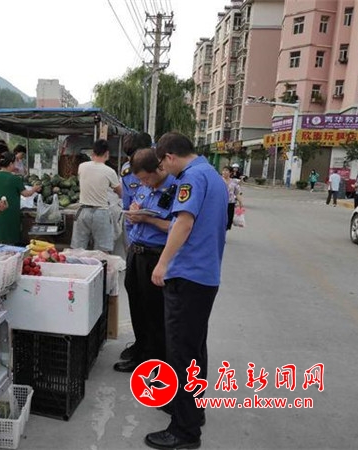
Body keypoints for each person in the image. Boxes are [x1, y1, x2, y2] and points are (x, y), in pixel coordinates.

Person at [147, 132, 227, 450]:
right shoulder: (212, 175)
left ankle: (184, 431)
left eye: (162, 163)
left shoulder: (191, 178)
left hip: (188, 274)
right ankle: (192, 411)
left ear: (169, 156)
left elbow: (183, 222)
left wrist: (162, 263)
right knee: (194, 351)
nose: (164, 169)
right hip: (205, 276)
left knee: (182, 353)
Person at [113, 148, 174, 373]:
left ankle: (156, 360)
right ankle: (141, 349)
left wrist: (147, 219)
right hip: (136, 252)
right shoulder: (145, 186)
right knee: (137, 306)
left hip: (155, 255)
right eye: (140, 180)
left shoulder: (175, 189)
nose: (143, 184)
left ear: (158, 168)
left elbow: (177, 227)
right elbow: (135, 211)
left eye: (146, 178)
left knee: (154, 311)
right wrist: (134, 213)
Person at [71, 139, 122, 253]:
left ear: (92, 153)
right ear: (107, 153)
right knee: (102, 251)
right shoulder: (110, 171)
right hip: (101, 213)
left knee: (78, 249)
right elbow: (120, 192)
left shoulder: (82, 166)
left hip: (83, 212)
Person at [0, 152, 41, 244]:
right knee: (11, 240)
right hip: (11, 214)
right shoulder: (15, 179)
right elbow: (26, 194)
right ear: (11, 163)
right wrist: (35, 189)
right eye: (15, 162)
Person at [121, 132, 153, 236]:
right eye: (129, 157)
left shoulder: (165, 172)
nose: (132, 161)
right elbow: (126, 206)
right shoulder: (127, 173)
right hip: (136, 232)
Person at [221, 165, 243, 231]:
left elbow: (237, 193)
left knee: (228, 220)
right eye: (223, 170)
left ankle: (224, 232)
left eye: (226, 170)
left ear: (230, 173)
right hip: (220, 203)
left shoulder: (234, 182)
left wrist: (240, 202)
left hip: (230, 203)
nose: (224, 172)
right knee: (219, 220)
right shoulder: (218, 180)